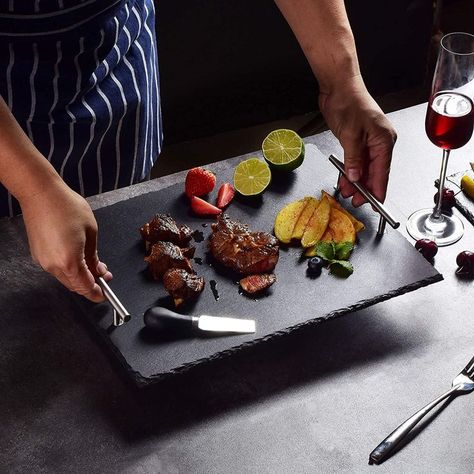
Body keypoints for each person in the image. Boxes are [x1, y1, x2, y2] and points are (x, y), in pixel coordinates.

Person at [0, 0, 396, 303]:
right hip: (12, 97)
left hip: (114, 52)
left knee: (116, 244)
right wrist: (36, 190)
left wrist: (342, 81)